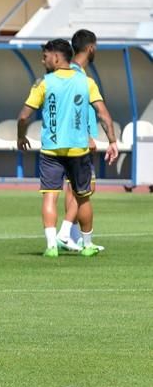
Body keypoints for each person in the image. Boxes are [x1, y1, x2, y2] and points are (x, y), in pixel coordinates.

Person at [16, 39, 118, 258]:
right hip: (78, 150)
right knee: (83, 198)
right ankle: (87, 244)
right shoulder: (86, 82)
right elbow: (104, 115)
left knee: (50, 196)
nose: (43, 60)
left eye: (45, 56)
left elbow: (23, 116)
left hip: (51, 151)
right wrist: (112, 141)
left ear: (56, 57)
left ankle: (52, 245)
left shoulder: (43, 82)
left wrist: (20, 137)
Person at [57, 29, 109, 252]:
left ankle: (75, 238)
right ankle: (67, 234)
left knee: (74, 190)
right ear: (91, 48)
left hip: (67, 140)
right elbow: (75, 110)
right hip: (79, 141)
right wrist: (87, 136)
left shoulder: (71, 73)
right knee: (84, 190)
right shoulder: (79, 77)